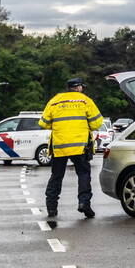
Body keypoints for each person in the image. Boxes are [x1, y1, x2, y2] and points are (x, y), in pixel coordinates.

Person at [39, 77, 102, 219]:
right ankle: (84, 203)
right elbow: (97, 123)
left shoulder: (55, 100)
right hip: (80, 147)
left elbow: (43, 123)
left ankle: (51, 208)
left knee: (56, 176)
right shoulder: (85, 100)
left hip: (60, 146)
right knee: (83, 174)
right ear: (79, 87)